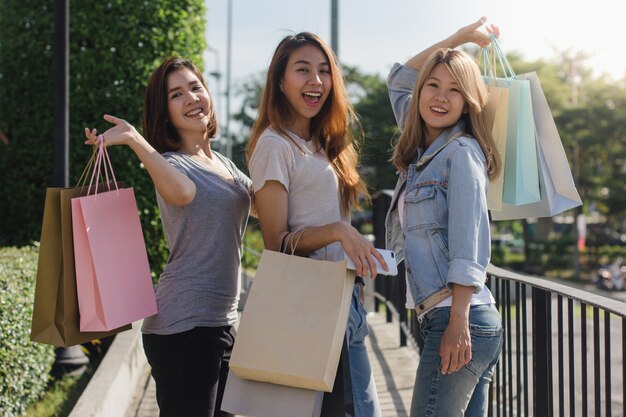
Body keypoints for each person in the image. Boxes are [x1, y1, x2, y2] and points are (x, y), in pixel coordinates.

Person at [84, 57, 252, 417]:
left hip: (223, 323)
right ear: (165, 113)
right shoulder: (171, 163)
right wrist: (133, 139)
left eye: (195, 87)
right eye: (177, 94)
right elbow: (182, 194)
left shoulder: (225, 164)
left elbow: (265, 207)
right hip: (184, 326)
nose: (191, 97)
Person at [246, 32, 386, 417]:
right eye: (303, 70)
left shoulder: (327, 146)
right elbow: (277, 243)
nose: (317, 81)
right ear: (279, 80)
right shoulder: (275, 145)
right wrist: (339, 232)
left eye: (324, 71)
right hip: (307, 308)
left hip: (343, 300)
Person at [385, 18, 504, 416]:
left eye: (455, 89)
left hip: (457, 318)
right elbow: (401, 79)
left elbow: (469, 246)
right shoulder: (421, 146)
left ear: (468, 102)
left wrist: (458, 322)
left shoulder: (462, 153)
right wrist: (458, 41)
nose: (441, 97)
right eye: (433, 85)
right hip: (450, 318)